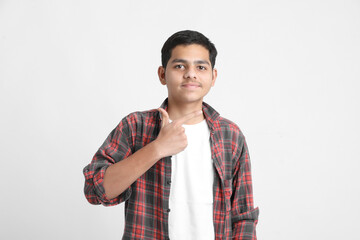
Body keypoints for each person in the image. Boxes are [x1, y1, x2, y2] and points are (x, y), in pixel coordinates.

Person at [83, 30, 259, 240]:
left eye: (200, 67)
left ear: (213, 77)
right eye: (179, 66)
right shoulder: (135, 126)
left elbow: (243, 216)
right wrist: (157, 148)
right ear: (162, 74)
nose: (191, 74)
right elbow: (95, 190)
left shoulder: (230, 135)